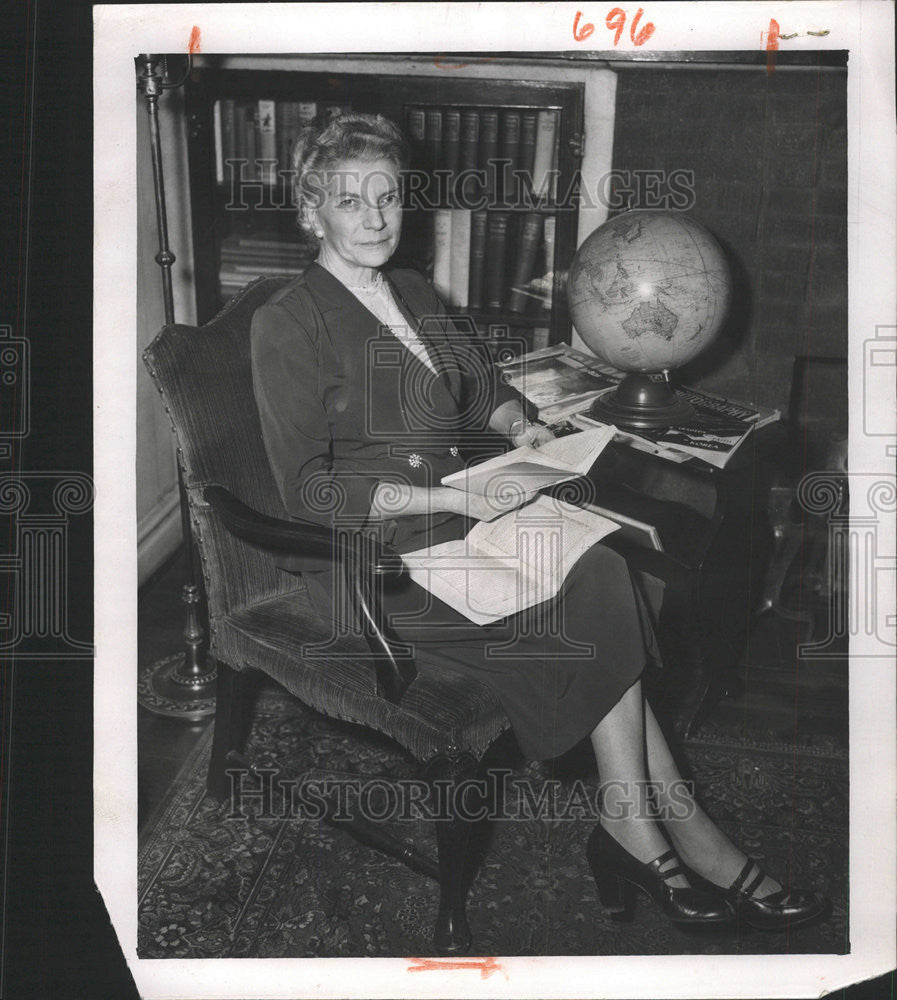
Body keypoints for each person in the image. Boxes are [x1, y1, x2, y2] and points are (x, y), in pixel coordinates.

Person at [250, 112, 827, 932]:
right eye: (351, 200)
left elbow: (480, 387)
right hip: (371, 560)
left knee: (604, 569)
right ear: (313, 210)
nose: (375, 216)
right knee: (595, 599)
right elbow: (305, 490)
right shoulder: (288, 323)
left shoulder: (411, 290)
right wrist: (449, 500)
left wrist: (521, 428)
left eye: (388, 196)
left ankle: (642, 825)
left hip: (466, 523)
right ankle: (669, 830)